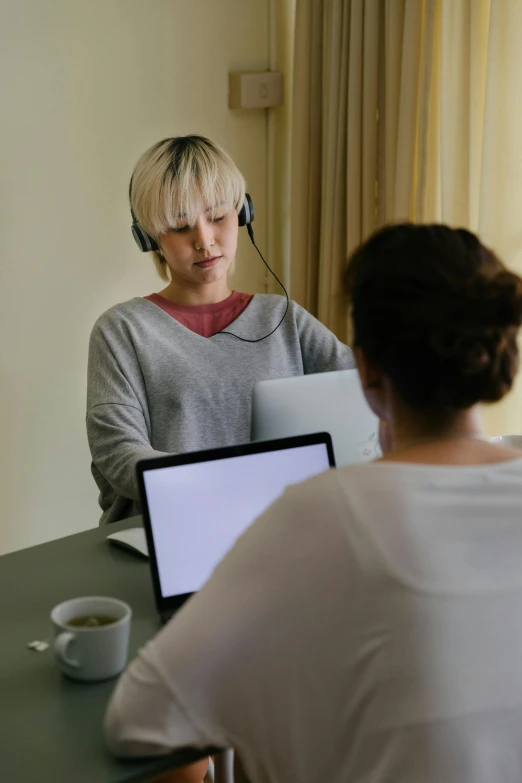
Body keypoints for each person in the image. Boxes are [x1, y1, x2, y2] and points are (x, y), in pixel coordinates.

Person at [104, 224, 522, 783]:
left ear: (366, 369)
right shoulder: (126, 329)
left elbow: (138, 720)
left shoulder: (316, 512)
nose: (204, 238)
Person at [87, 135, 354, 524]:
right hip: (167, 534)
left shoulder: (285, 319)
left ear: (242, 213)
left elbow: (366, 401)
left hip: (279, 531)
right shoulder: (122, 331)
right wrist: (228, 485)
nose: (204, 240)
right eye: (181, 225)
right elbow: (118, 451)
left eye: (217, 217)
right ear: (150, 238)